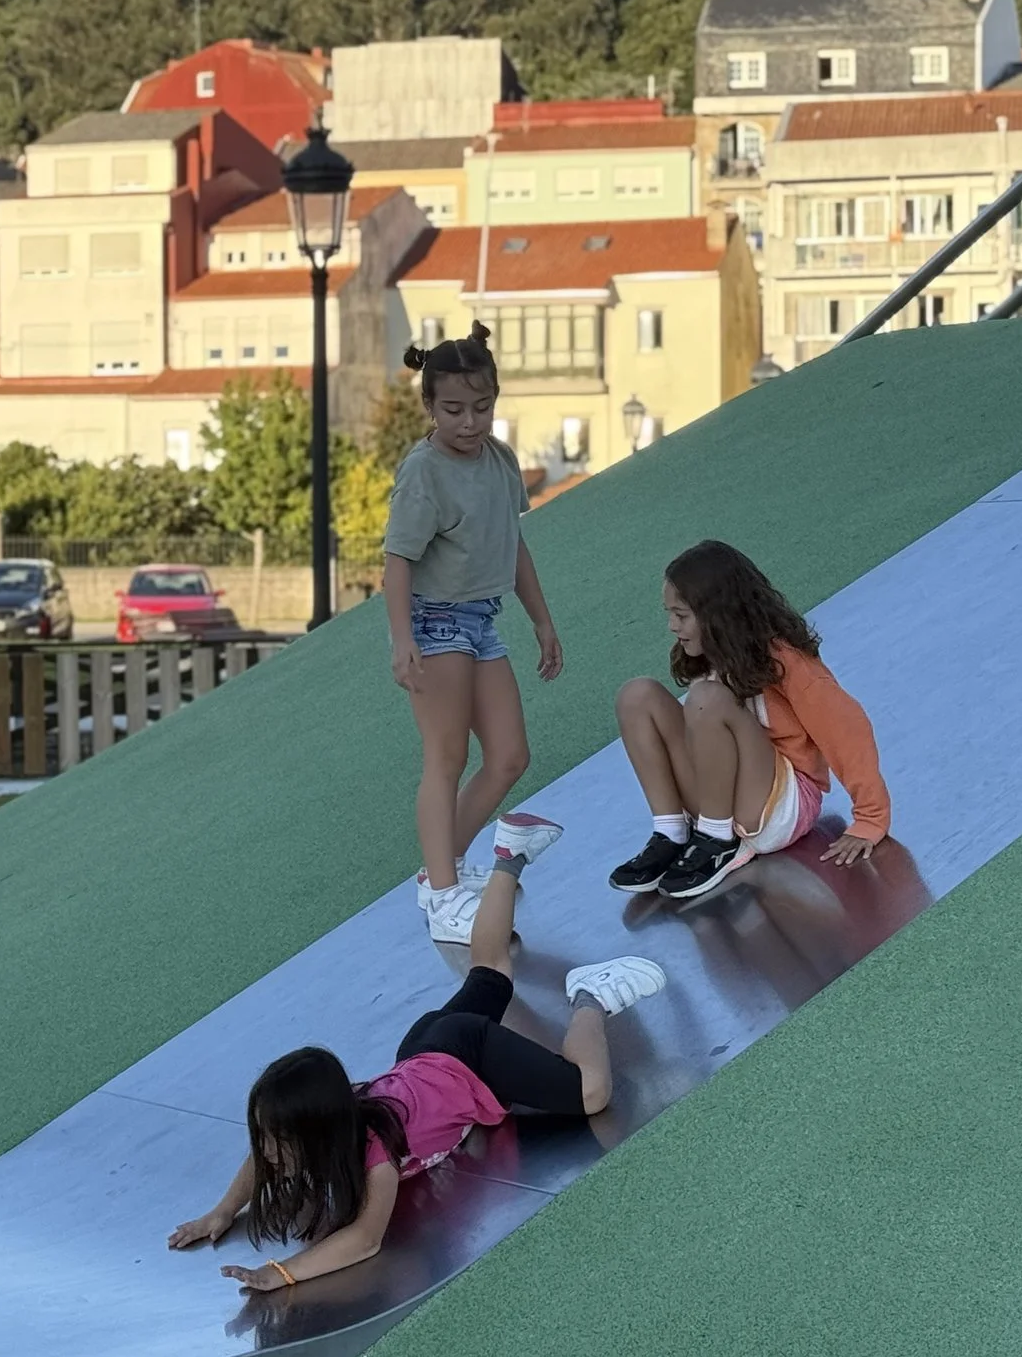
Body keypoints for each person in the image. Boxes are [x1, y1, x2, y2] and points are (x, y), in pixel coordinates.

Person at [167, 813, 663, 1292]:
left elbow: (364, 1240)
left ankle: (590, 997)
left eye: (275, 1141)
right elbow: (261, 1159)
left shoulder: (374, 1151)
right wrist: (222, 1210)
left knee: (590, 1093)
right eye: (266, 1139)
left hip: (470, 1058)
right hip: (426, 1047)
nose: (266, 1154)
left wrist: (283, 1272)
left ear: (315, 1130)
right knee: (490, 970)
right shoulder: (337, 1116)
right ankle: (509, 855)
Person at [383, 324, 564, 944]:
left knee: (511, 755)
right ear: (429, 406)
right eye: (453, 410)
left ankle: (440, 869)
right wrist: (402, 637)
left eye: (481, 407)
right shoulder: (423, 472)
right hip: (435, 621)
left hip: (481, 620)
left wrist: (541, 619)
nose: (469, 422)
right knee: (447, 757)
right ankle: (442, 893)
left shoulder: (500, 460)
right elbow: (398, 560)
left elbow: (513, 546)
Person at [608, 541, 891, 902]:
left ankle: (716, 840)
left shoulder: (785, 660)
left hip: (783, 807)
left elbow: (847, 728)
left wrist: (870, 818)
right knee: (637, 695)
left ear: (717, 615)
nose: (672, 626)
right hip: (726, 802)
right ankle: (673, 832)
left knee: (707, 700)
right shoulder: (707, 655)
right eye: (670, 614)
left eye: (681, 615)